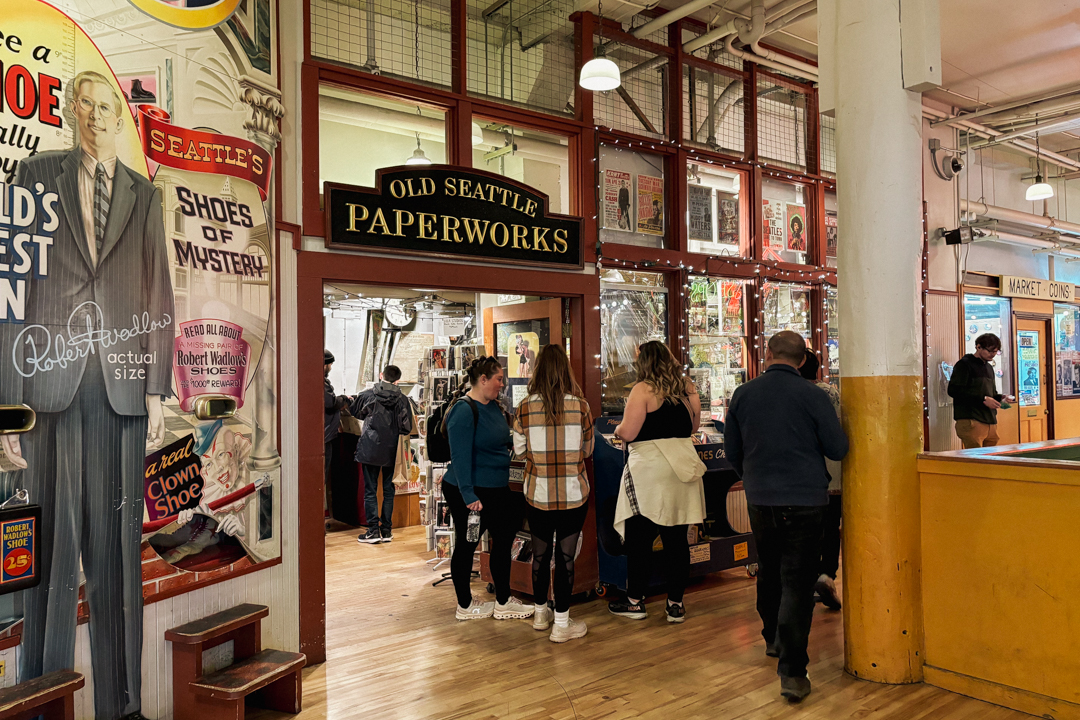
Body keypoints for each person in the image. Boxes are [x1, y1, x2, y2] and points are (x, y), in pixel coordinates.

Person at [0, 70, 174, 720]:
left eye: (108, 106)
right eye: (88, 104)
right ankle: (42, 706)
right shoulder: (34, 178)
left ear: (117, 113)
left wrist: (158, 390)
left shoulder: (142, 195)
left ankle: (122, 706)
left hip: (123, 389)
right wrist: (6, 401)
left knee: (117, 556)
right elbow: (11, 287)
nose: (98, 115)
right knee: (47, 557)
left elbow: (158, 295)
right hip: (49, 386)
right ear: (72, 110)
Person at [724, 331, 848, 703]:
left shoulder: (743, 394)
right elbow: (838, 448)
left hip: (760, 498)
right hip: (807, 498)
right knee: (797, 581)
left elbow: (733, 451)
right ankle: (792, 672)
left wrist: (754, 477)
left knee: (769, 567)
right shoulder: (814, 396)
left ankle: (772, 638)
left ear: (767, 353)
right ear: (803, 358)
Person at [609, 341, 706, 624]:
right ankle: (675, 604)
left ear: (644, 363)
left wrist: (616, 428)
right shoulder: (687, 387)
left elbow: (628, 431)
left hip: (651, 470)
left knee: (640, 539)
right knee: (676, 540)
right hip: (683, 468)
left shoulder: (642, 389)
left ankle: (635, 601)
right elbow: (694, 425)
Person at [512, 345, 595, 643]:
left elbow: (520, 451)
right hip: (573, 493)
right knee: (565, 558)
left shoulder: (523, 407)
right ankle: (562, 624)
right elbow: (587, 450)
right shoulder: (581, 406)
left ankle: (539, 614)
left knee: (540, 555)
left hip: (538, 492)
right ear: (565, 370)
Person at [443, 356, 534, 621]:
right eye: (498, 379)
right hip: (471, 491)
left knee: (504, 542)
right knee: (467, 546)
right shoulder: (463, 410)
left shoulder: (493, 407)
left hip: (496, 487)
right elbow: (459, 457)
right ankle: (465, 605)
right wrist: (468, 495)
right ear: (483, 380)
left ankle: (504, 602)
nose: (502, 384)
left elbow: (498, 438)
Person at [797, 351, 842, 612]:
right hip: (834, 469)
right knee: (831, 524)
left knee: (806, 528)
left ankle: (806, 578)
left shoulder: (798, 393)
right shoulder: (831, 391)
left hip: (806, 472)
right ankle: (827, 575)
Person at [352, 365, 413, 544]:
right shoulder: (402, 399)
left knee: (370, 491)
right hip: (392, 449)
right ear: (398, 380)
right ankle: (386, 530)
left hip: (370, 448)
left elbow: (355, 412)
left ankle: (372, 531)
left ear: (381, 376)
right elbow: (406, 426)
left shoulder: (367, 395)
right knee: (389, 490)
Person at [948, 333, 1014, 449]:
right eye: (989, 351)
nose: (992, 355)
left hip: (990, 420)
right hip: (971, 419)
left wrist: (1001, 398)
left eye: (995, 352)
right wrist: (983, 399)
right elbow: (954, 390)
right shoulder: (964, 364)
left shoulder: (988, 367)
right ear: (978, 347)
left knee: (991, 458)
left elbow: (990, 393)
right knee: (976, 460)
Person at [324, 350, 350, 521]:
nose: (331, 367)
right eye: (330, 364)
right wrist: (344, 400)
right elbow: (330, 403)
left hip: (326, 434)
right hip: (325, 437)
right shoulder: (321, 382)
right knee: (321, 477)